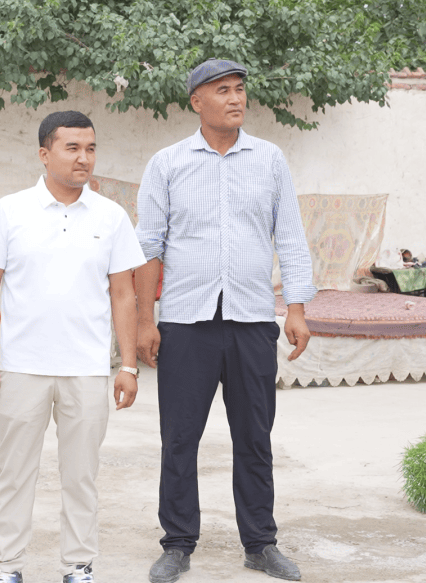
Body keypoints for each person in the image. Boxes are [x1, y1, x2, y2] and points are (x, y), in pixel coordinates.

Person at [135, 59, 316, 583]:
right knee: (179, 439)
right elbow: (148, 248)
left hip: (252, 318)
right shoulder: (167, 164)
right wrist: (146, 320)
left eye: (240, 89)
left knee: (255, 437)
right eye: (222, 91)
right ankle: (177, 544)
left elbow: (291, 237)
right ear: (196, 101)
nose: (235, 98)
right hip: (185, 322)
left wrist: (297, 308)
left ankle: (260, 544)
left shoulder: (270, 159)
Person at [0, 111, 146, 583]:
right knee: (14, 473)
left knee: (81, 476)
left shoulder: (111, 217)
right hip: (22, 366)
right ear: (44, 154)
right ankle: (7, 566)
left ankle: (78, 565)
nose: (83, 158)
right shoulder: (10, 211)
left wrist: (128, 365)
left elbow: (123, 294)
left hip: (87, 369)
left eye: (90, 148)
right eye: (72, 148)